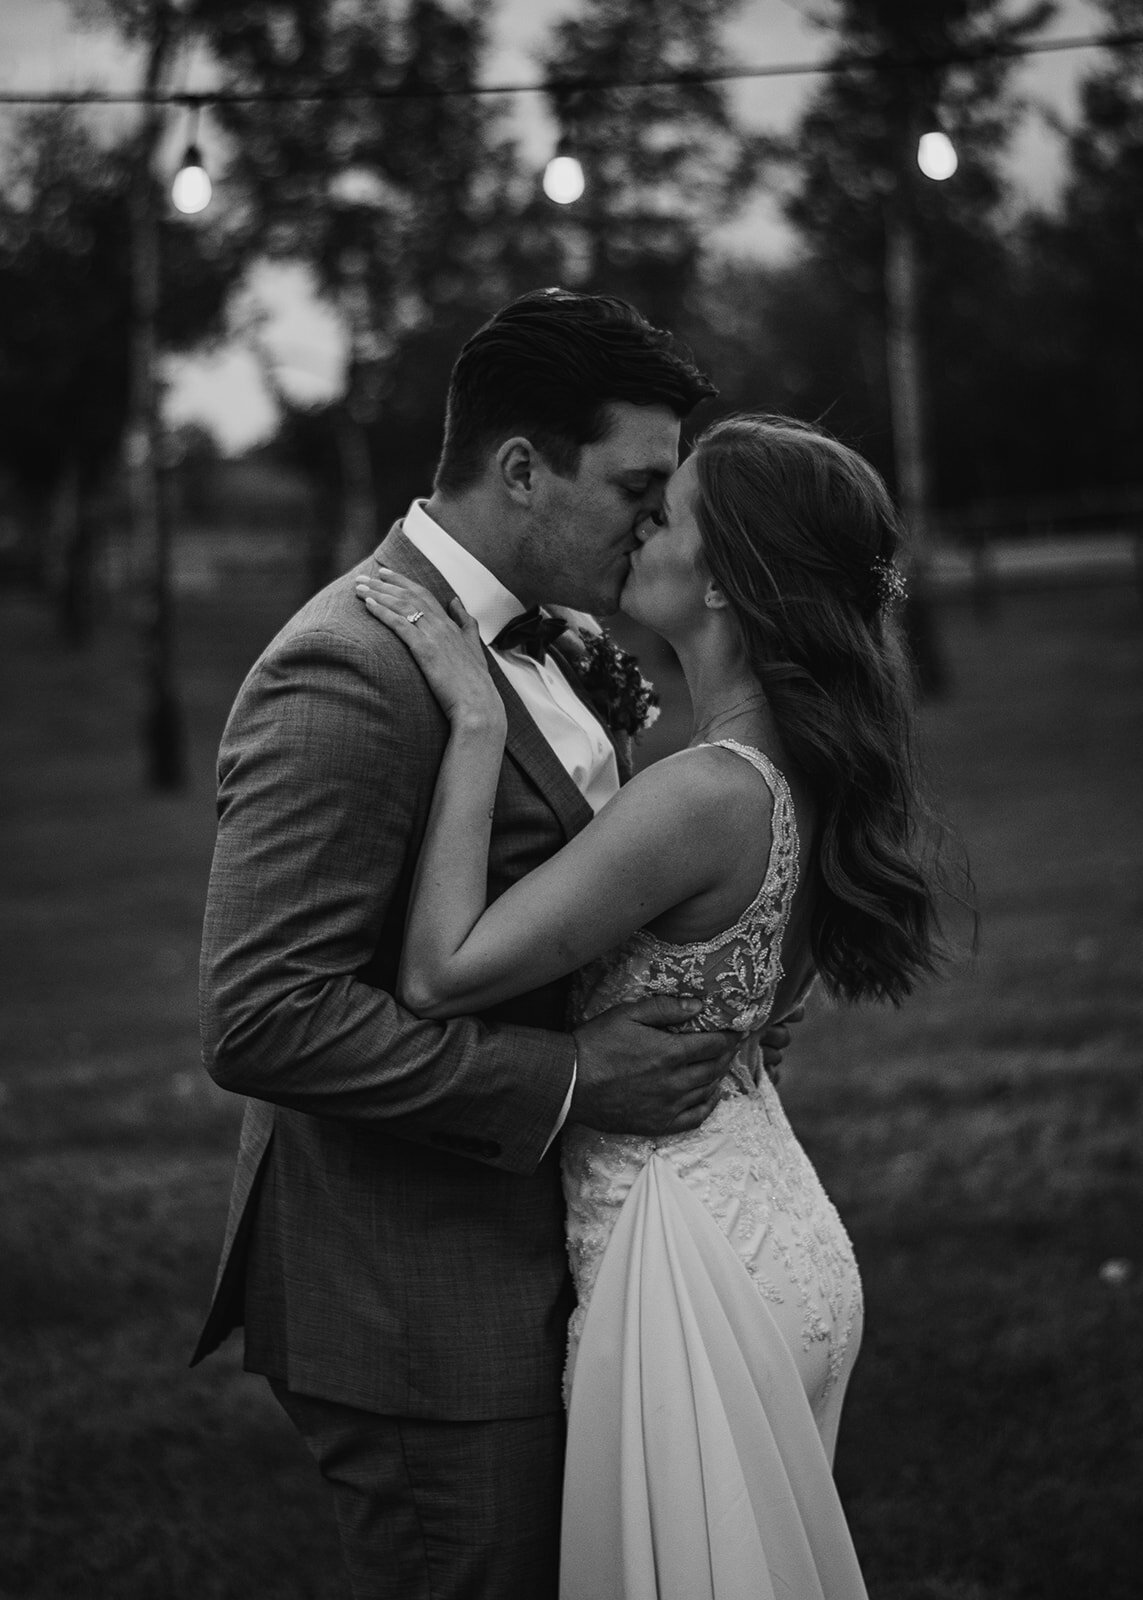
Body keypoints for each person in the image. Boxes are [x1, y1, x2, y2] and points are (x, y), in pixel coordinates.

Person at [191, 289, 800, 1600]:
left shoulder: (561, 635)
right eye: (635, 485)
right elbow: (264, 1017)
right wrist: (579, 1079)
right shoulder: (346, 667)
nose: (654, 520)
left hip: (566, 1267)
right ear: (520, 469)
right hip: (421, 1304)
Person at [354, 411, 949, 1599]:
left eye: (665, 511)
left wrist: (474, 720)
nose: (639, 526)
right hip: (778, 1233)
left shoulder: (704, 795)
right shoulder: (800, 767)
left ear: (724, 579)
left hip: (688, 1268)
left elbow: (440, 972)